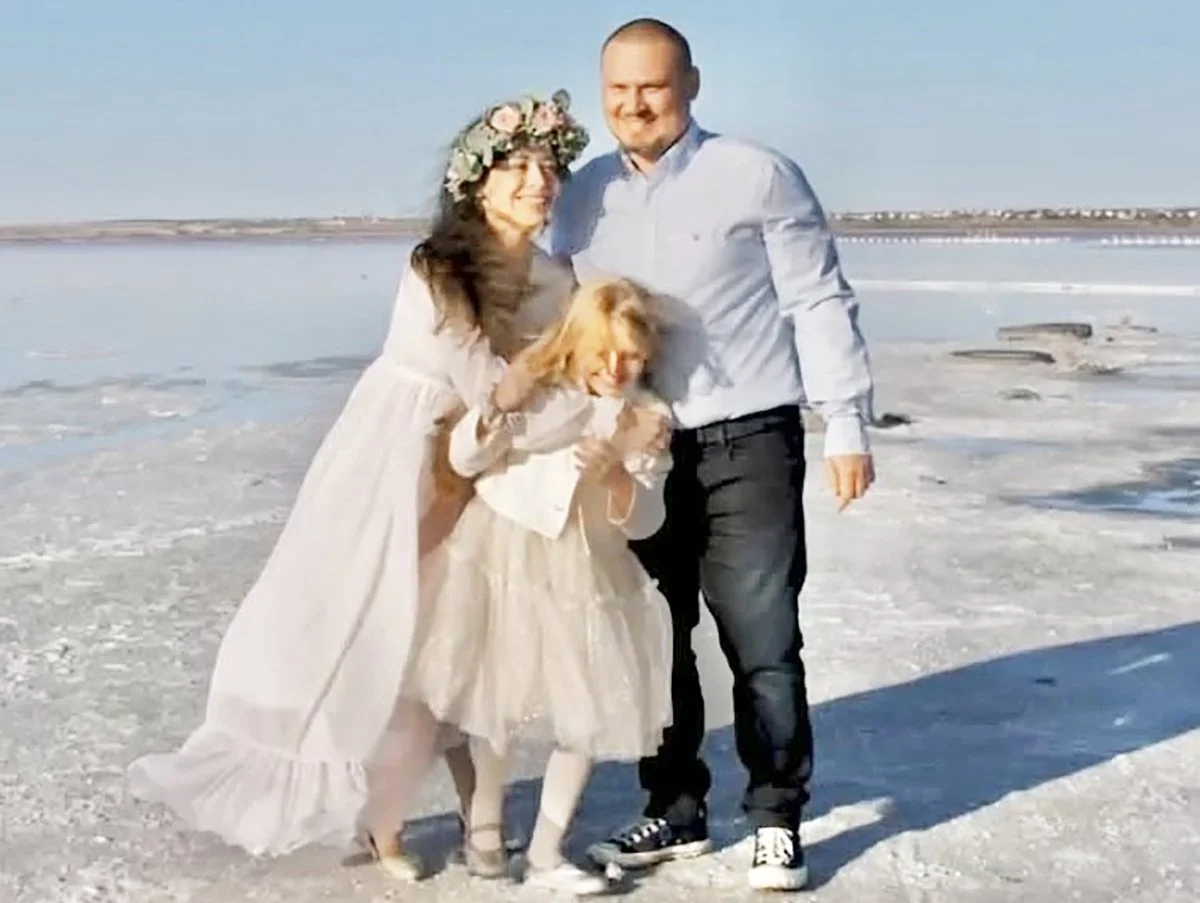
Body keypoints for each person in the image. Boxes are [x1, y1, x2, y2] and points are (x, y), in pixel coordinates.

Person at [127, 89, 666, 880]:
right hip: (400, 449)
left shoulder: (556, 279)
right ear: (475, 182)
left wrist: (604, 413)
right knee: (370, 621)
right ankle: (376, 816)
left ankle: (463, 814)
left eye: (547, 166)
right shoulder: (440, 266)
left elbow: (569, 380)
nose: (536, 181)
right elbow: (488, 383)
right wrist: (559, 403)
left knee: (446, 639)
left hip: (482, 464)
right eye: (515, 165)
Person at [550, 18, 876, 892]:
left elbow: (817, 300)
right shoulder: (581, 196)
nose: (633, 105)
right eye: (617, 90)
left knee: (759, 633)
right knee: (657, 636)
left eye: (651, 87)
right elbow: (551, 315)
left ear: (689, 83)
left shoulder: (757, 175)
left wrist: (844, 421)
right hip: (637, 451)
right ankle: (675, 805)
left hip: (749, 440)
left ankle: (775, 813)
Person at [402, 278, 674, 896]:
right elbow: (468, 460)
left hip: (589, 573)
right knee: (499, 697)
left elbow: (648, 518)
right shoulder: (538, 395)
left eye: (630, 354)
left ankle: (549, 849)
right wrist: (497, 408)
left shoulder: (646, 419)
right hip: (505, 554)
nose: (614, 367)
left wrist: (615, 478)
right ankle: (486, 829)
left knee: (586, 711)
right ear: (575, 343)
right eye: (601, 351)